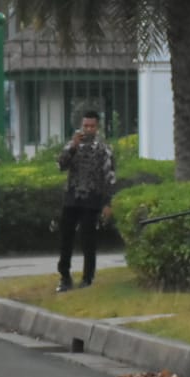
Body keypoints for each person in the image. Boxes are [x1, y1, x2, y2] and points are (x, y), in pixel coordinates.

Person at [55, 111, 116, 292]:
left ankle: (87, 277)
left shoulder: (104, 149)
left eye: (92, 126)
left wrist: (107, 203)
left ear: (97, 127)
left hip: (92, 199)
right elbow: (60, 165)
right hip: (72, 198)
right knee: (66, 238)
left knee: (88, 239)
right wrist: (73, 146)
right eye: (85, 126)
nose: (88, 129)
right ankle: (64, 277)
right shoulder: (72, 145)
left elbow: (110, 176)